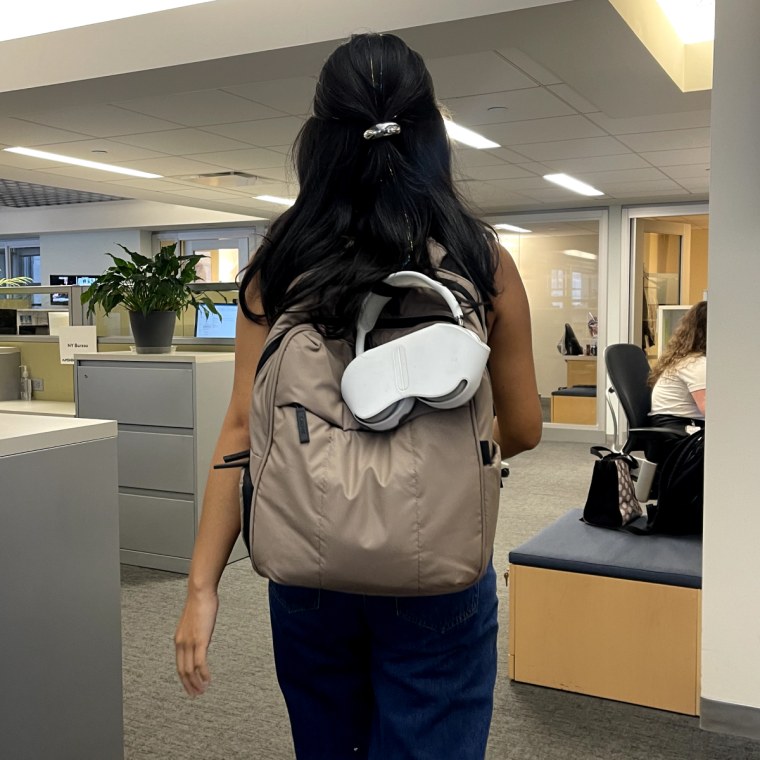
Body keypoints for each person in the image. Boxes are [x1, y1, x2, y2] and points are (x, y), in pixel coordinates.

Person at [174, 32, 542, 760]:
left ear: (319, 143)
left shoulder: (275, 270)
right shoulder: (482, 261)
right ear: (433, 135)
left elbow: (242, 435)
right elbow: (525, 427)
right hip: (438, 566)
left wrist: (199, 589)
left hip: (308, 569)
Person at [648, 300, 707, 432]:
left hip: (676, 429)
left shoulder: (688, 358)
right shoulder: (695, 363)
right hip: (678, 435)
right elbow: (710, 412)